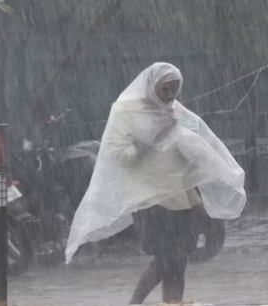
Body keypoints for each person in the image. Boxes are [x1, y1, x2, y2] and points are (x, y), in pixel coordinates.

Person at [65, 62, 247, 305]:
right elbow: (118, 155)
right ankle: (135, 301)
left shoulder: (176, 112)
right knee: (167, 258)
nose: (169, 96)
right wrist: (150, 141)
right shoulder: (126, 112)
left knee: (180, 259)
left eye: (174, 90)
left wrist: (208, 166)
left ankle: (171, 303)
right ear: (151, 86)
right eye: (164, 90)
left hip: (182, 196)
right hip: (150, 199)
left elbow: (198, 144)